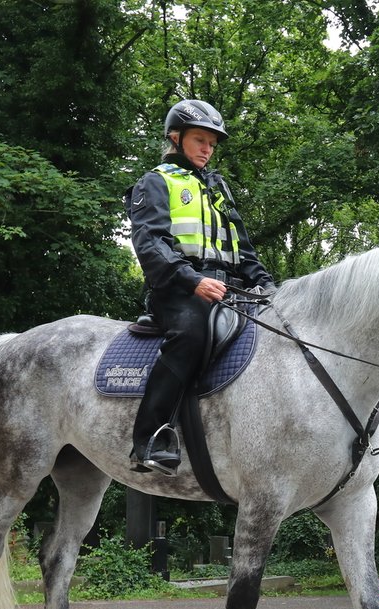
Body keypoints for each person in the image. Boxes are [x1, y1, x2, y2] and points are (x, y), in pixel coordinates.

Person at [124, 99, 276, 476]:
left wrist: (266, 285)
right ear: (176, 138)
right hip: (178, 290)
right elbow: (151, 244)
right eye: (200, 140)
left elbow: (242, 247)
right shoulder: (156, 182)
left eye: (212, 143)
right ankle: (149, 439)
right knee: (191, 334)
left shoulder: (217, 187)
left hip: (229, 288)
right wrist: (193, 281)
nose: (207, 149)